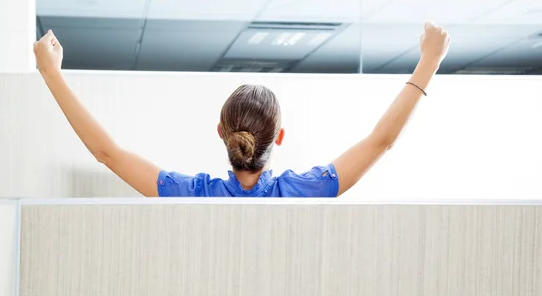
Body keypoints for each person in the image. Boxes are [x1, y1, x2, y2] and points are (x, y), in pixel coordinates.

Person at [33, 21, 450, 198]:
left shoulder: (193, 195)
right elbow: (382, 140)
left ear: (220, 132)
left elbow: (107, 154)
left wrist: (51, 73)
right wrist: (429, 60)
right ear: (280, 137)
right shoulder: (304, 192)